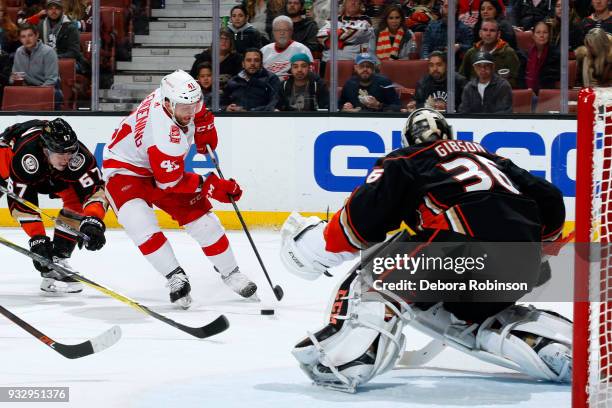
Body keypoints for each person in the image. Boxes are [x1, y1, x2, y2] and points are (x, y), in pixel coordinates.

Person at [279, 108, 571, 392]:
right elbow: (550, 197)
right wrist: (543, 244)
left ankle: (348, 360)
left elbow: (361, 219)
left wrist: (322, 245)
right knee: (475, 316)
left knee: (376, 277)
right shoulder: (493, 159)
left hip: (462, 250)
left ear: (409, 138)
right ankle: (543, 340)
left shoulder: (407, 158)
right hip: (524, 266)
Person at [102, 70, 258, 309]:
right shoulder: (166, 138)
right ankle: (175, 276)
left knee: (204, 222)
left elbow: (192, 104)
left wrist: (203, 121)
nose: (190, 112)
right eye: (185, 108)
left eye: (195, 105)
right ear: (167, 103)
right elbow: (170, 183)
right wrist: (211, 186)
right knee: (139, 222)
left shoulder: (170, 96)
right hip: (126, 171)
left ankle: (231, 272)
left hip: (156, 164)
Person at [0, 118, 107, 294]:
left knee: (76, 199)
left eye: (70, 151)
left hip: (50, 175)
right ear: (45, 149)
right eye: (60, 152)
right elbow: (22, 203)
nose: (67, 158)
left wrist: (93, 220)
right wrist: (37, 239)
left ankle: (57, 258)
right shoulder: (26, 156)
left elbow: (95, 191)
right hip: (8, 157)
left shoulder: (79, 158)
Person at [11, 24, 63, 108]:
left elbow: (51, 80)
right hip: (27, 88)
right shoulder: (19, 52)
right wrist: (13, 79)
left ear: (37, 35)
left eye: (30, 35)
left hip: (47, 88)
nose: (27, 39)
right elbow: (15, 74)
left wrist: (36, 93)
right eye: (23, 37)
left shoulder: (48, 52)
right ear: (20, 39)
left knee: (56, 94)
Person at [459, 20, 520, 88]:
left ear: (498, 34)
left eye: (492, 30)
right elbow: (462, 78)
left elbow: (517, 79)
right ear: (480, 33)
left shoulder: (508, 53)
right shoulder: (471, 53)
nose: (488, 33)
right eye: (485, 30)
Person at [36, 0, 88, 74]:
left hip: (65, 61)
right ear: (46, 11)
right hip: (45, 61)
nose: (53, 11)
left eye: (57, 8)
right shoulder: (40, 25)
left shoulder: (70, 26)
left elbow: (74, 52)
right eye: (51, 8)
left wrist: (53, 57)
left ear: (62, 10)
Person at [261, 15, 313, 80]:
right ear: (273, 32)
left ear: (291, 31)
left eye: (285, 30)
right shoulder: (264, 50)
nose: (282, 33)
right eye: (278, 30)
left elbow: (310, 75)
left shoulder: (301, 49)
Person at [520, 20, 560, 93]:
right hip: (527, 93)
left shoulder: (555, 55)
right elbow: (521, 78)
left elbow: (552, 80)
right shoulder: (526, 55)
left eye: (545, 32)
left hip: (547, 94)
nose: (542, 35)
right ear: (533, 35)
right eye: (538, 32)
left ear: (549, 35)